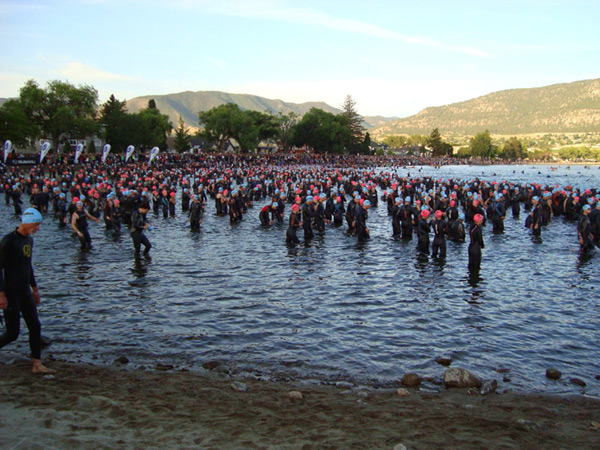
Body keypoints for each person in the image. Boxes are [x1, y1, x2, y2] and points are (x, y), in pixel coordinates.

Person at [0, 208, 55, 374]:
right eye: (36, 225)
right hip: (10, 292)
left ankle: (37, 364)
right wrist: (1, 294)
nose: (37, 229)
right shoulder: (8, 241)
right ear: (27, 222)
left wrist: (35, 288)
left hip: (25, 290)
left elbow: (28, 266)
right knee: (12, 333)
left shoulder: (29, 240)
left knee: (35, 326)